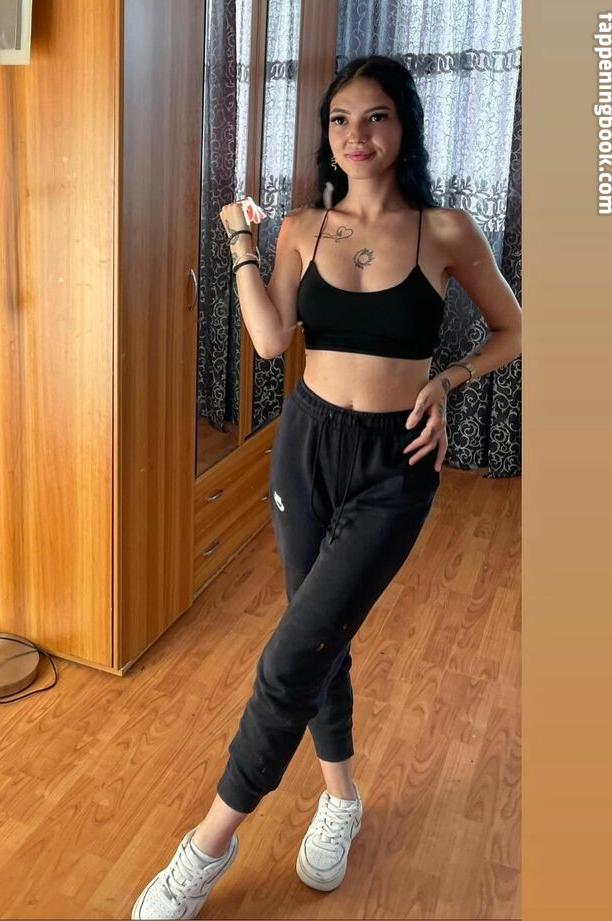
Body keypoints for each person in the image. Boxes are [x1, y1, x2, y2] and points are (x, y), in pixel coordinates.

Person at [131, 53, 522, 921]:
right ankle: (341, 796)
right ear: (327, 135)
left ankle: (206, 847)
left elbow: (513, 328)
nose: (357, 134)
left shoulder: (447, 230)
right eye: (341, 119)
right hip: (305, 447)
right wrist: (240, 242)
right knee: (321, 638)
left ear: (404, 125)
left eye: (376, 116)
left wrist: (448, 380)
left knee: (290, 654)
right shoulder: (303, 227)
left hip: (395, 464)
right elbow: (272, 339)